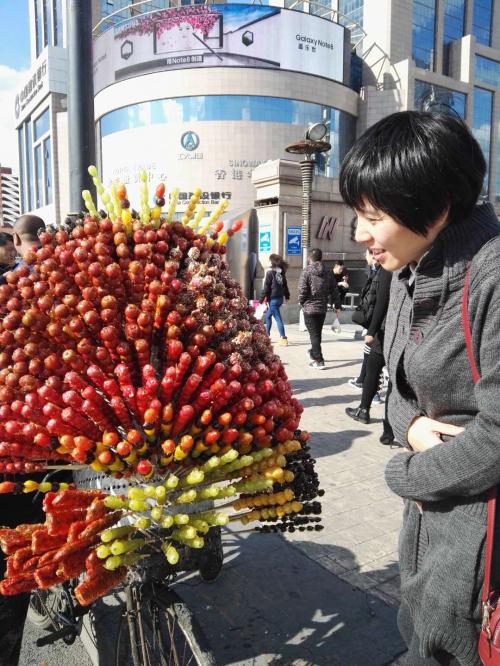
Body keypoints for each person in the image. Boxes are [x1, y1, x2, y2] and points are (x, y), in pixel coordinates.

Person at [339, 109, 499, 665]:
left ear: (436, 206)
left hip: (483, 539)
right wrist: (409, 425)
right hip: (432, 519)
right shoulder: (410, 270)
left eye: (372, 215)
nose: (360, 233)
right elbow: (400, 381)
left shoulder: (492, 276)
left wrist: (406, 470)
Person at [0, 214, 46, 666]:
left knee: (19, 553)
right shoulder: (53, 283)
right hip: (36, 444)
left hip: (30, 444)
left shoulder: (20, 287)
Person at [345, 265, 391, 423]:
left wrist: (371, 331)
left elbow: (381, 302)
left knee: (373, 368)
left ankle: (364, 410)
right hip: (403, 329)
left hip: (387, 329)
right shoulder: (411, 264)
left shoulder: (389, 268)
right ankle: (390, 423)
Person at [298, 248, 341, 370]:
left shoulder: (306, 271)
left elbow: (302, 290)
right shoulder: (328, 272)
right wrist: (337, 306)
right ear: (322, 258)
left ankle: (319, 360)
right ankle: (313, 352)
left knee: (314, 335)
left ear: (309, 258)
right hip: (322, 308)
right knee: (317, 333)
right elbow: (334, 290)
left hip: (309, 308)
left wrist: (301, 302)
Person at [260, 254, 290, 346]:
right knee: (268, 316)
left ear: (272, 262)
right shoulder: (281, 273)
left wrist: (261, 300)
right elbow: (285, 286)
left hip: (273, 300)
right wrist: (287, 296)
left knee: (278, 318)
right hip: (279, 299)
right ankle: (267, 336)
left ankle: (283, 338)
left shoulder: (270, 273)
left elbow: (266, 288)